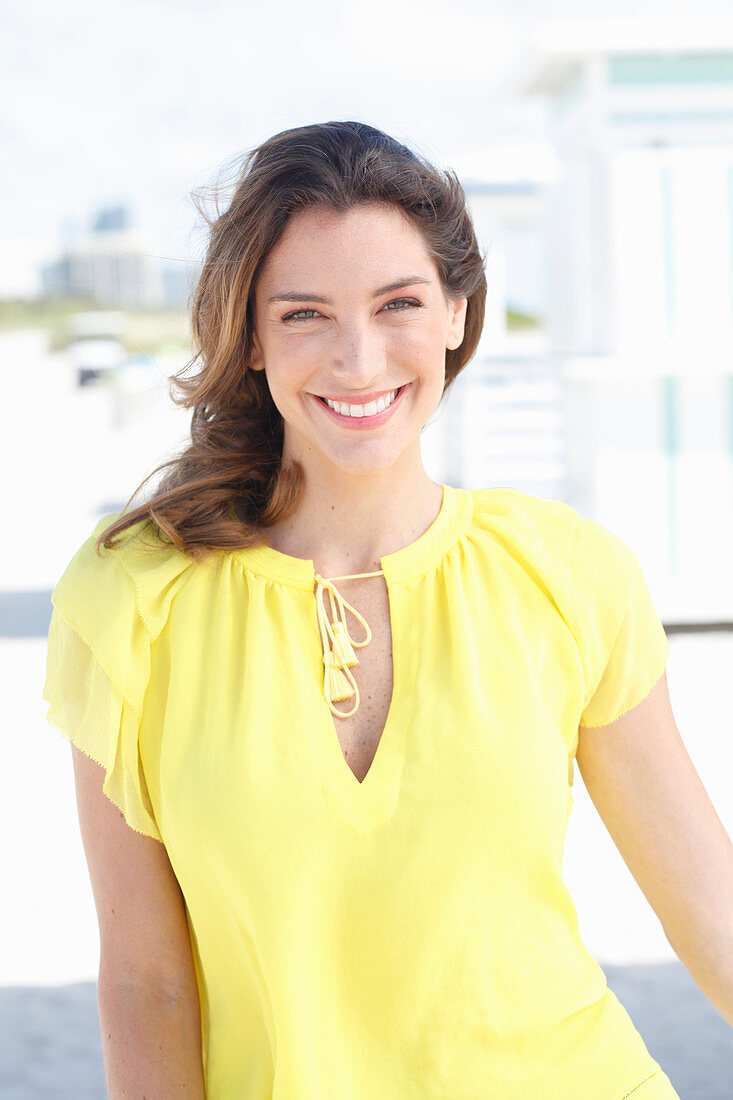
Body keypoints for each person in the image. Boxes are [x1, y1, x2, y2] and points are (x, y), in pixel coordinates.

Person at [43, 120, 686, 1097]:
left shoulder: (567, 572)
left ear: (458, 314)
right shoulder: (133, 596)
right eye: (304, 313)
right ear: (249, 337)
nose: (358, 356)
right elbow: (146, 981)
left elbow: (707, 906)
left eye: (398, 303)